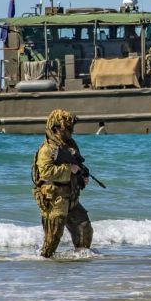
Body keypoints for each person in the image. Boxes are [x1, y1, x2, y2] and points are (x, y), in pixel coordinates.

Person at [31, 109, 93, 258]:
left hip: (71, 197)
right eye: (68, 128)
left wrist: (82, 177)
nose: (71, 131)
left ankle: (78, 261)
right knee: (52, 239)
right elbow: (45, 172)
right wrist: (69, 169)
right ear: (56, 128)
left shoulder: (70, 145)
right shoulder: (47, 149)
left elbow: (77, 166)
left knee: (85, 229)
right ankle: (45, 265)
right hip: (55, 199)